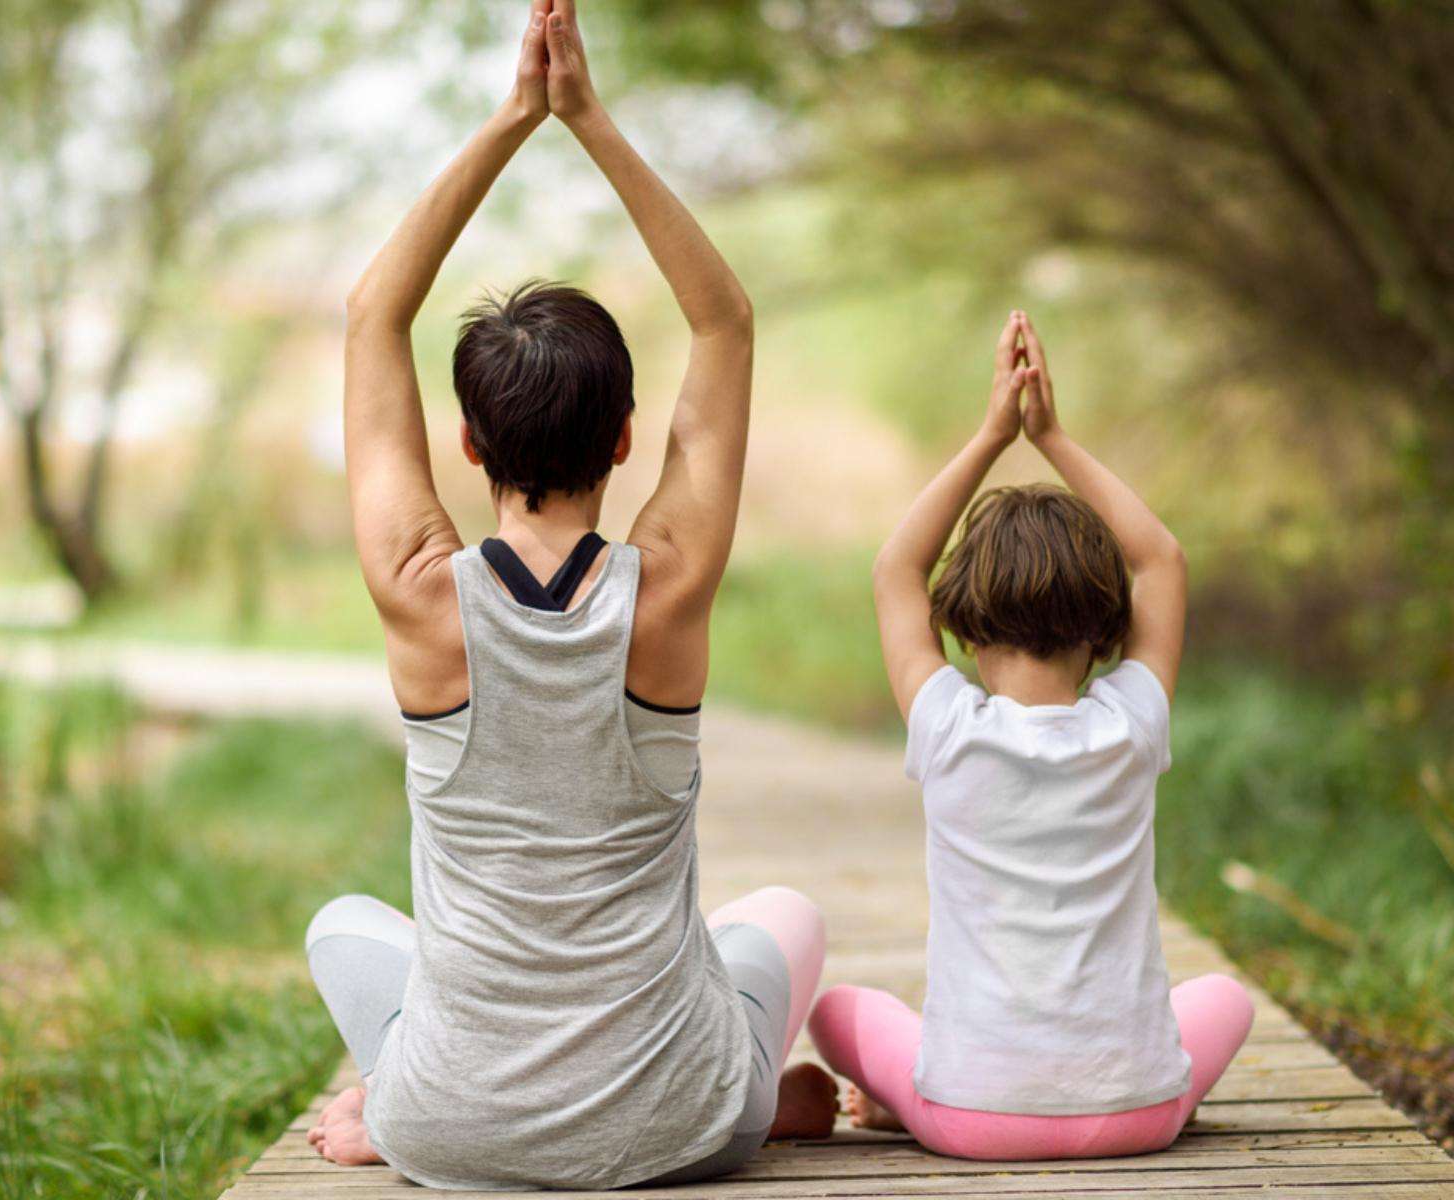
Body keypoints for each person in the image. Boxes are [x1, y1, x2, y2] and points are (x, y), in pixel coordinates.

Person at [301, 0, 835, 1187]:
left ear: (473, 449)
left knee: (342, 924)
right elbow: (725, 320)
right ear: (629, 436)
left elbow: (370, 316)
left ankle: (393, 1100)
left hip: (453, 1128)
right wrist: (586, 117)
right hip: (679, 1127)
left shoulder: (418, 596)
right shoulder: (669, 592)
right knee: (780, 917)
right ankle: (749, 1083)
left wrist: (513, 117)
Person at [808, 311, 1253, 1159]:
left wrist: (989, 437)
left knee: (838, 1011)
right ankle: (1154, 1090)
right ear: (1105, 635)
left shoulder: (947, 727)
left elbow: (895, 567)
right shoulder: (1130, 725)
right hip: (1141, 1116)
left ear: (965, 629)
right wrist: (1052, 436)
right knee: (1225, 999)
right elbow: (1161, 559)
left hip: (971, 1119)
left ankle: (902, 1102)